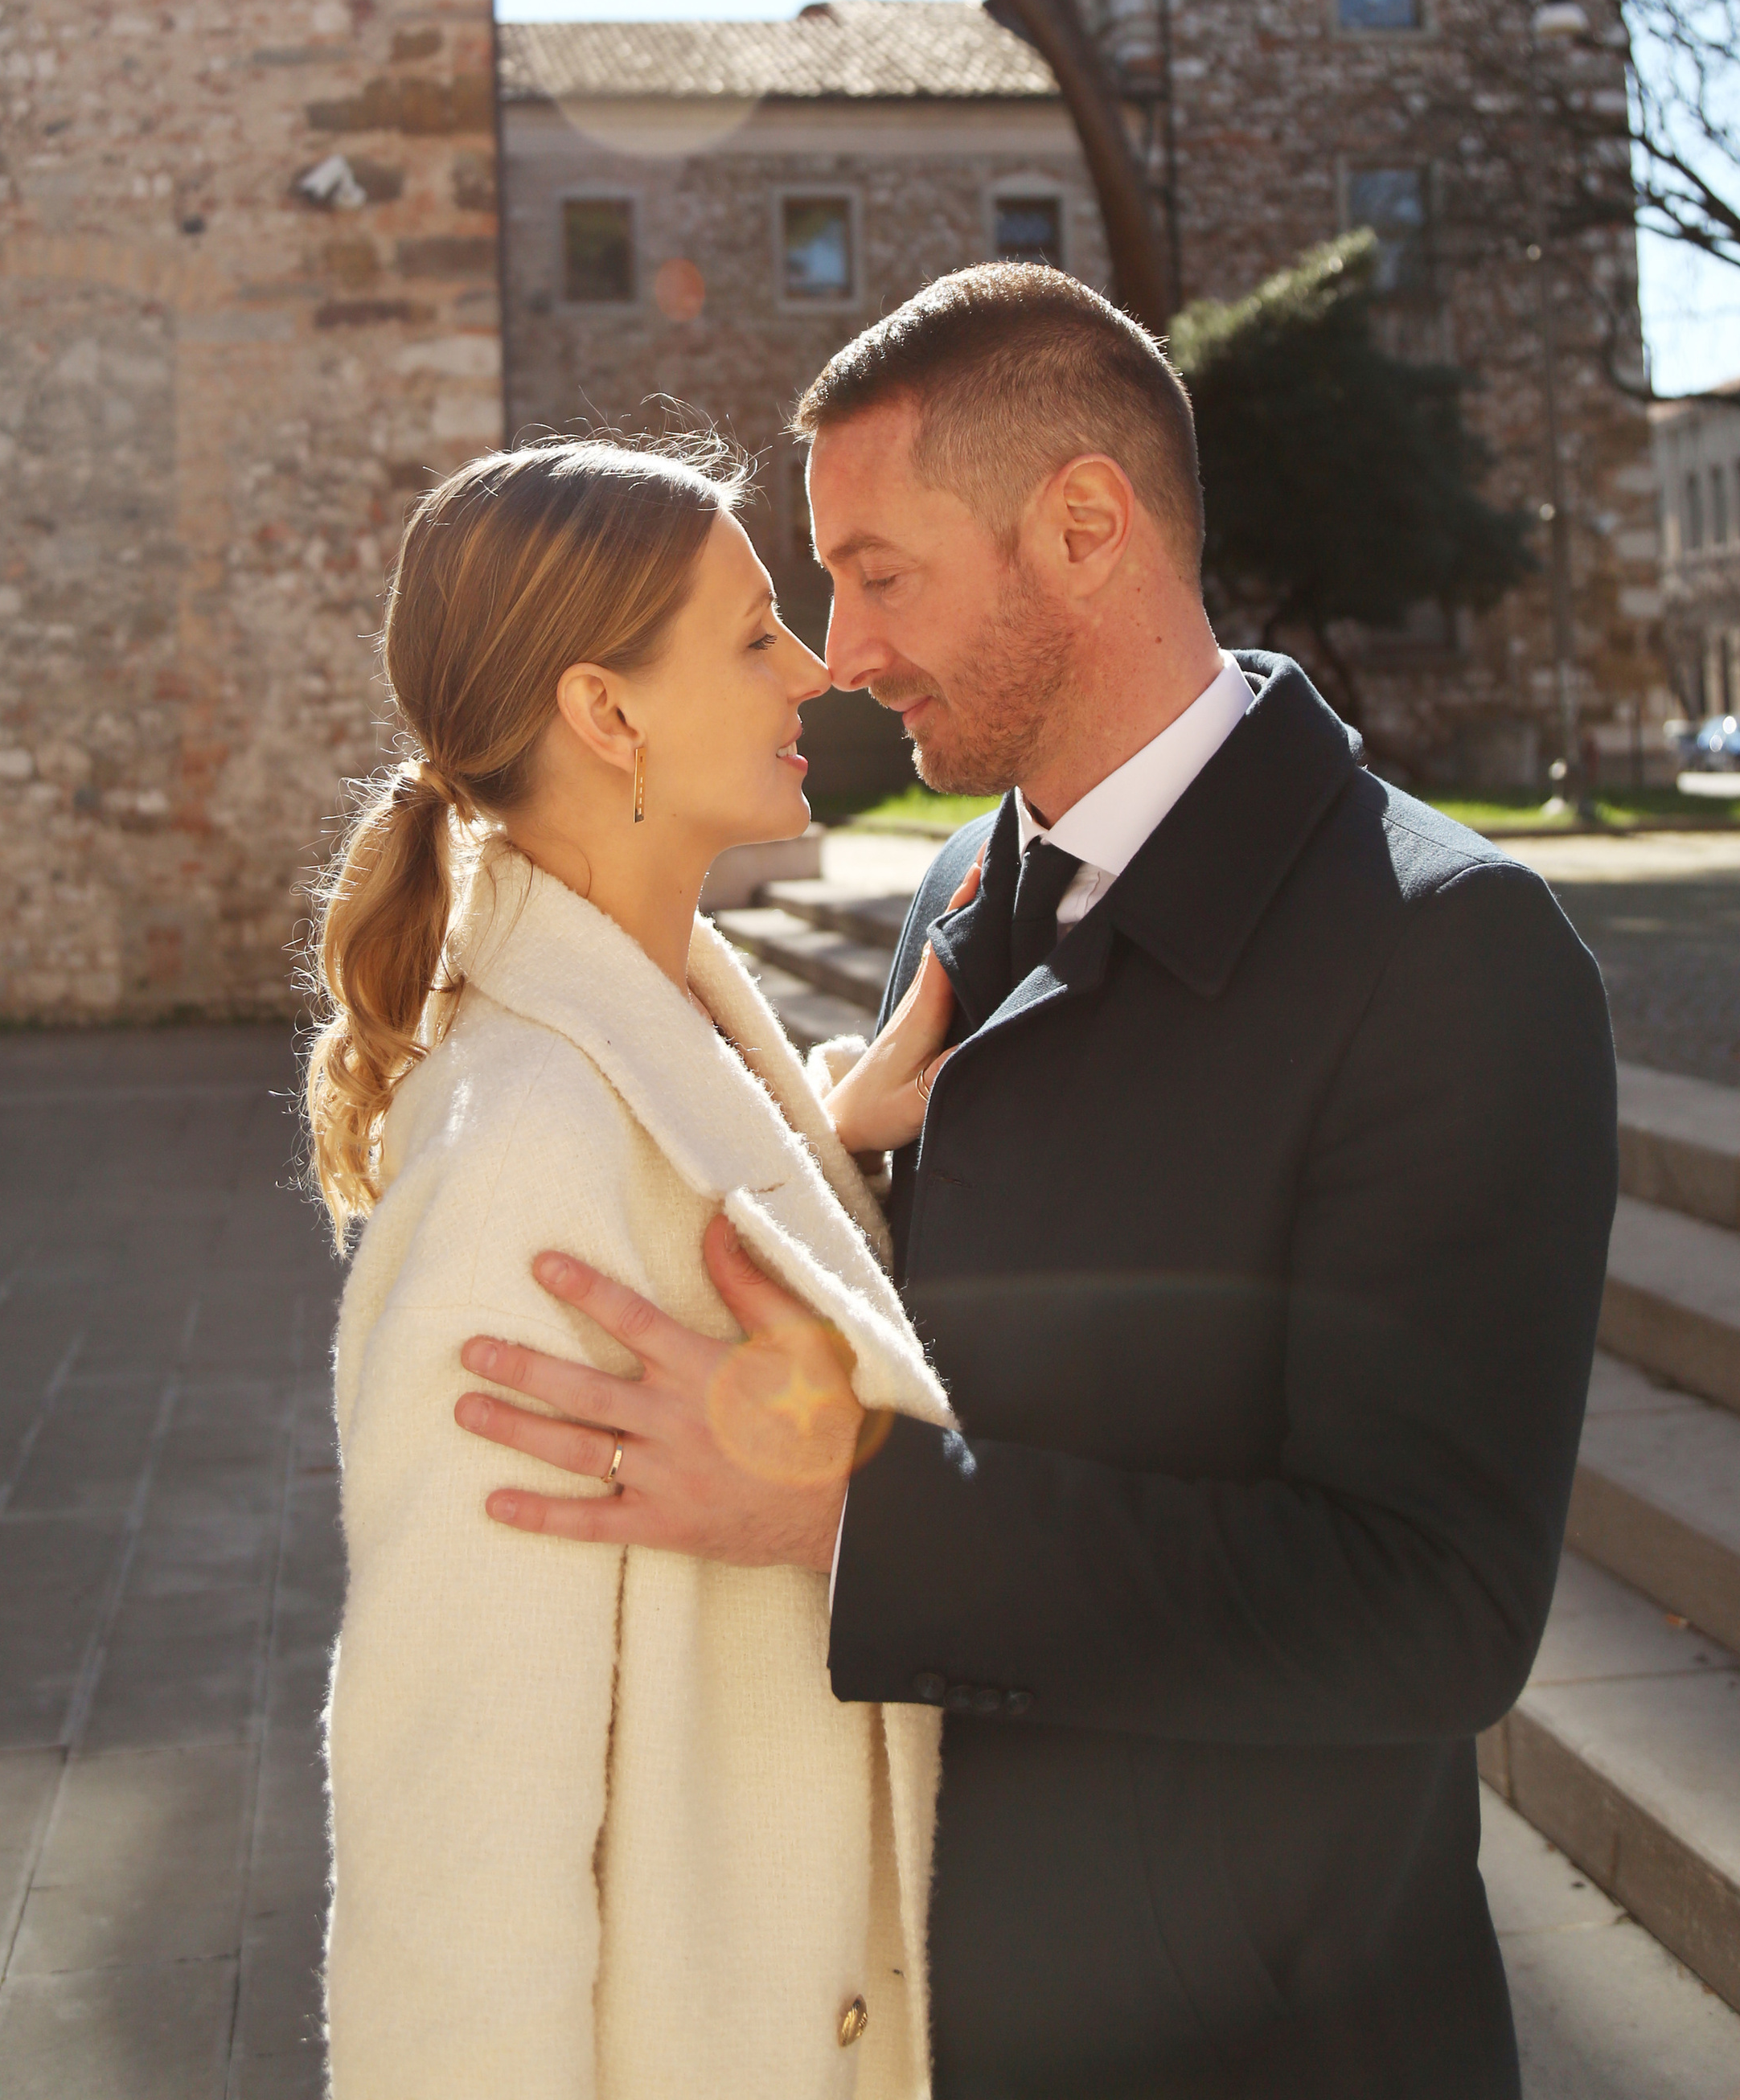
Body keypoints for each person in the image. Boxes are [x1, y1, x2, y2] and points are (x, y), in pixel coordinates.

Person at [460, 267, 1619, 2100]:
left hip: (1270, 2047)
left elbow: (1428, 1607)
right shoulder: (951, 903)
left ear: (1084, 526)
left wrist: (851, 1515)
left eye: (881, 573)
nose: (838, 650)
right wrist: (826, 1165)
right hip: (938, 2008)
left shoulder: (1450, 957)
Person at [310, 436, 972, 2100]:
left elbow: (677, 1172)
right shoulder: (518, 1148)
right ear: (606, 716)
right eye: (755, 635)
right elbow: (453, 1836)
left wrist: (825, 1133)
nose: (813, 669)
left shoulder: (679, 1011)